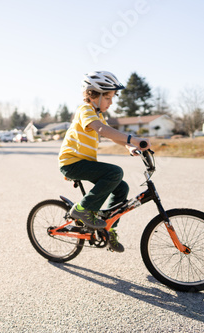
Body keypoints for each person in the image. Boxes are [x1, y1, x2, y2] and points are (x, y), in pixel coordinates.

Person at [58, 71, 150, 253]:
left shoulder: (98, 114)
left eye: (112, 97)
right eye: (108, 97)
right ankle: (82, 209)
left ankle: (109, 229)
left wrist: (130, 146)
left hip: (83, 162)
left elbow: (111, 134)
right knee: (114, 172)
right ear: (94, 95)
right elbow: (101, 129)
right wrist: (132, 137)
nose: (111, 102)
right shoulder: (85, 110)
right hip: (71, 163)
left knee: (121, 188)